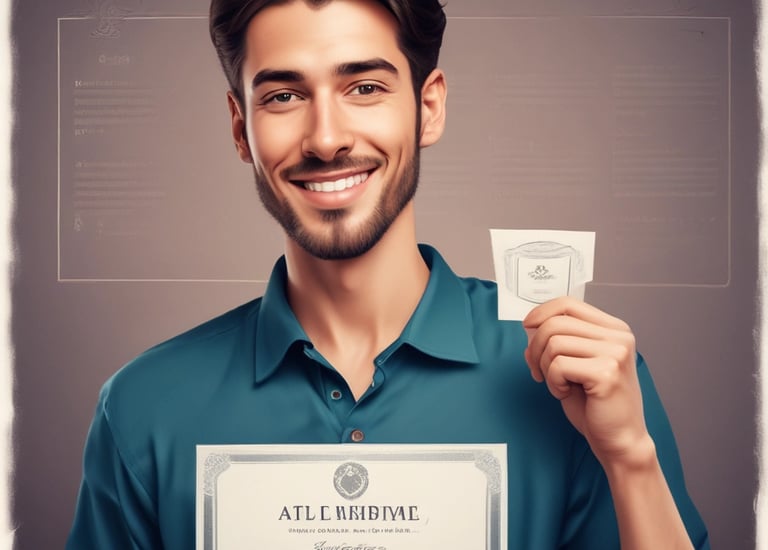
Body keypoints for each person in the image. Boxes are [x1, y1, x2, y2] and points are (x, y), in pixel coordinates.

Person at [66, 0, 710, 548]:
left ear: (428, 108)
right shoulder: (143, 408)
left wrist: (630, 457)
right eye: (285, 95)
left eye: (365, 87)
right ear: (241, 127)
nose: (326, 138)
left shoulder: (578, 376)